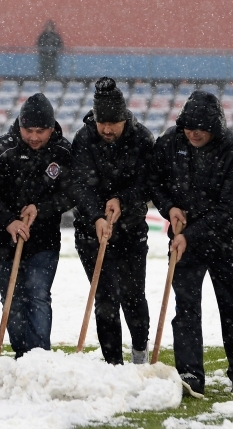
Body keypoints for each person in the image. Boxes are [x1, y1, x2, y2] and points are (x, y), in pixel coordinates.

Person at [149, 90, 233, 396]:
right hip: (185, 243)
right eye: (189, 127)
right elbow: (155, 181)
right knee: (186, 310)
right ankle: (191, 373)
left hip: (226, 243)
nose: (194, 133)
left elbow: (228, 209)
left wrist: (187, 234)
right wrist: (169, 208)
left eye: (201, 128)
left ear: (215, 127)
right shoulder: (170, 142)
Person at [0, 93, 74, 358]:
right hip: (1, 242)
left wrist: (40, 209)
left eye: (40, 131)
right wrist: (8, 221)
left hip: (43, 240)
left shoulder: (63, 152)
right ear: (19, 126)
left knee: (38, 295)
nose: (33, 137)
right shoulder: (2, 150)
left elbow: (71, 192)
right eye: (28, 130)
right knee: (13, 299)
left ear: (52, 128)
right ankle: (22, 355)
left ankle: (40, 356)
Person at [71, 77, 154, 366]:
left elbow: (148, 183)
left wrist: (122, 200)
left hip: (131, 230)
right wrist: (95, 215)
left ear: (124, 118)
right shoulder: (83, 138)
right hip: (90, 231)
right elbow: (80, 185)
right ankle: (112, 362)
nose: (107, 129)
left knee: (133, 295)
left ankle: (140, 352)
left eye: (113, 123)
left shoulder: (142, 138)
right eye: (101, 123)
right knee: (105, 298)